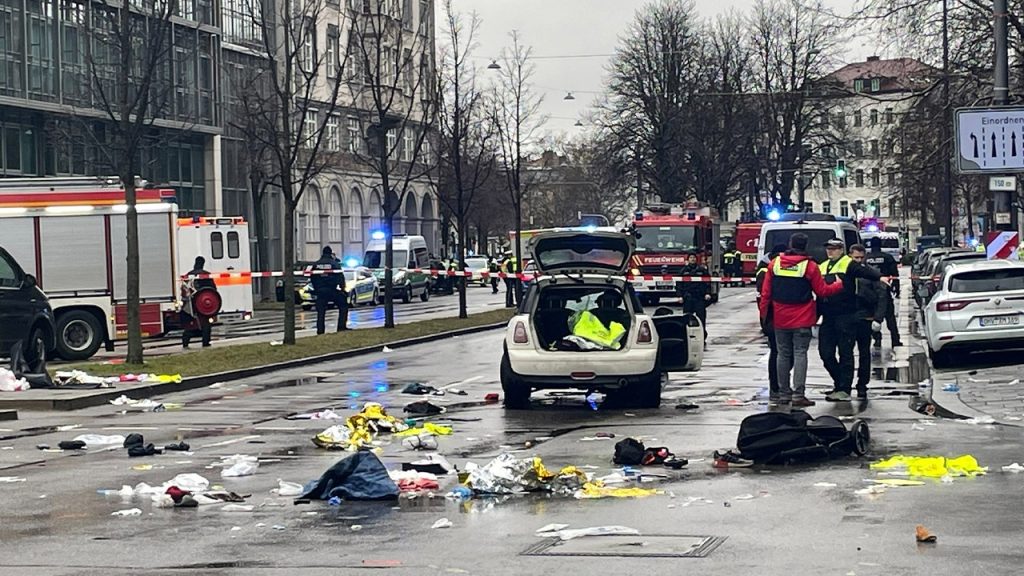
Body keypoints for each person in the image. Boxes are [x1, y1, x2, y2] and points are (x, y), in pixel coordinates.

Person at [758, 233, 845, 410]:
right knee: (800, 354)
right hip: (802, 317)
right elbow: (822, 291)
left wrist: (764, 316)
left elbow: (766, 294)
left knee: (782, 354)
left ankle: (783, 394)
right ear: (805, 246)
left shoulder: (775, 264)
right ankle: (799, 395)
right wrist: (839, 285)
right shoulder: (810, 266)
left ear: (790, 244)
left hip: (780, 317)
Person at [817, 239, 885, 403]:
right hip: (828, 316)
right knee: (825, 353)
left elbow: (872, 274)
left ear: (841, 250)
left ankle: (845, 388)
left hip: (846, 315)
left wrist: (875, 274)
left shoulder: (849, 264)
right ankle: (839, 382)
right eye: (828, 248)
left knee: (846, 353)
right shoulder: (823, 266)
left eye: (834, 249)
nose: (830, 251)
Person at [849, 244, 888, 399]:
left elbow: (881, 296)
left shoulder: (871, 274)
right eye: (855, 258)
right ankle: (844, 384)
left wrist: (878, 318)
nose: (858, 261)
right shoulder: (847, 271)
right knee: (846, 354)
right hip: (849, 317)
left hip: (866, 317)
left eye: (860, 257)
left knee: (864, 353)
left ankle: (862, 385)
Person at [756, 243, 788, 406]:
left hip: (780, 316)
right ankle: (776, 386)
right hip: (772, 317)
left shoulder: (769, 267)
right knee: (777, 352)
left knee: (782, 353)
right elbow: (764, 296)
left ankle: (780, 384)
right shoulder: (765, 270)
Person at [864, 237, 903, 348]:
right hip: (884, 289)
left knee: (874, 316)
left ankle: (877, 338)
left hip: (870, 292)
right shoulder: (887, 257)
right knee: (890, 316)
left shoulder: (866, 258)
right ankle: (895, 340)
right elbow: (894, 274)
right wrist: (896, 287)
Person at [308, 246, 348, 334]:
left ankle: (320, 330)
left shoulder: (316, 264)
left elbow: (312, 277)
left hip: (320, 291)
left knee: (321, 311)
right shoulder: (334, 264)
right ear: (330, 253)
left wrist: (317, 288)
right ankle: (341, 327)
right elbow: (340, 277)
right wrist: (342, 289)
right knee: (343, 305)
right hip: (332, 290)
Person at [181, 256, 217, 348]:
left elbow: (184, 289)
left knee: (190, 325)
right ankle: (205, 342)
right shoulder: (207, 275)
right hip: (204, 306)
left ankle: (185, 342)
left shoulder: (189, 275)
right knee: (206, 325)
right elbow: (213, 290)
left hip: (190, 304)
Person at [677, 253, 710, 345]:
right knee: (687, 319)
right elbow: (679, 284)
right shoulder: (683, 271)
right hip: (688, 298)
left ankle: (702, 336)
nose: (692, 259)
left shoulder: (702, 270)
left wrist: (707, 293)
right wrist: (679, 296)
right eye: (691, 258)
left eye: (694, 258)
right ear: (688, 260)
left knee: (701, 318)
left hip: (699, 297)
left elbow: (707, 283)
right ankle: (686, 337)